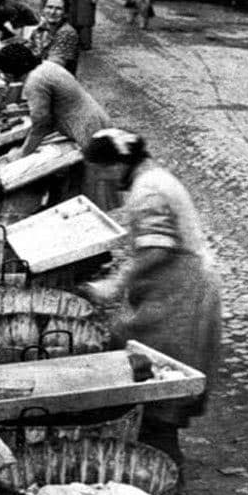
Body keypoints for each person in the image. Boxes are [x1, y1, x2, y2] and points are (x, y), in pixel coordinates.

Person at [81, 129, 222, 464]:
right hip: (172, 289)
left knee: (159, 379)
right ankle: (153, 444)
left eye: (102, 169)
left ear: (118, 164)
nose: (100, 178)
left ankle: (163, 463)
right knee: (143, 361)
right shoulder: (150, 178)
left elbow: (156, 249)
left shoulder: (149, 190)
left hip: (182, 294)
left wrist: (114, 285)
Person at [0, 42, 109, 158]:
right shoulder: (46, 65)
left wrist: (22, 153)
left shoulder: (34, 81)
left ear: (9, 73)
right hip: (95, 117)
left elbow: (41, 125)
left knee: (97, 165)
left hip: (86, 128)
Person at [26, 0, 80, 75]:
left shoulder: (67, 32)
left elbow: (52, 67)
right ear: (43, 10)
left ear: (66, 13)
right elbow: (27, 50)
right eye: (49, 7)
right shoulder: (42, 28)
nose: (52, 12)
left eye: (58, 9)